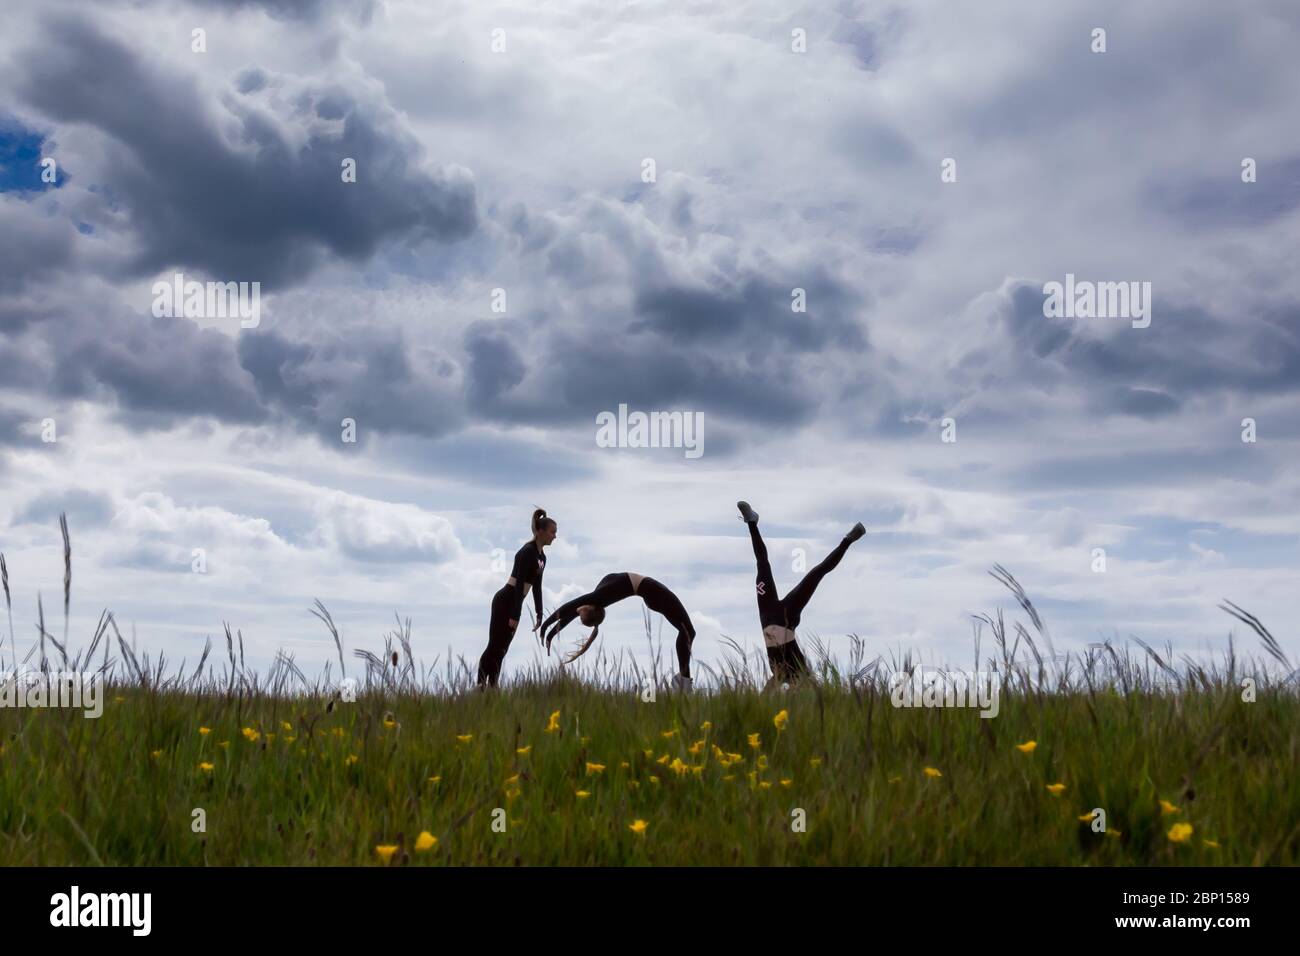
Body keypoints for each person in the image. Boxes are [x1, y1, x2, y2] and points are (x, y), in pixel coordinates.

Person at [737, 500, 865, 687]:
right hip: (787, 616)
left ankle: (751, 523)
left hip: (768, 613)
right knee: (816, 574)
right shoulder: (801, 675)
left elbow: (765, 695)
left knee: (762, 565)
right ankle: (847, 541)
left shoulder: (778, 675)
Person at [540, 572, 696, 689]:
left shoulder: (597, 599)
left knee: (687, 632)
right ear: (590, 608)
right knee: (688, 632)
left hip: (651, 594)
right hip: (654, 591)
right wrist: (546, 629)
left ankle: (683, 681)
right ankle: (683, 683)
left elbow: (568, 612)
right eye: (581, 613)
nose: (577, 611)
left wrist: (549, 634)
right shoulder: (598, 596)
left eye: (579, 614)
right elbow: (569, 609)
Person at [476, 508, 556, 687]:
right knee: (494, 646)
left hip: (515, 602)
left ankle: (493, 686)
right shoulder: (527, 551)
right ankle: (480, 684)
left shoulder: (542, 557)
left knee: (503, 649)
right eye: (552, 532)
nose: (555, 536)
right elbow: (519, 584)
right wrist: (515, 614)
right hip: (506, 601)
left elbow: (537, 586)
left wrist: (539, 612)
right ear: (541, 532)